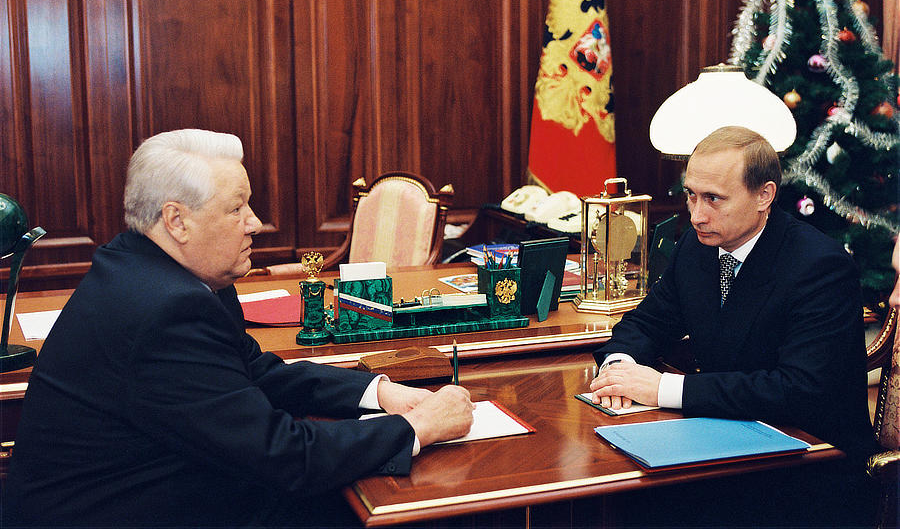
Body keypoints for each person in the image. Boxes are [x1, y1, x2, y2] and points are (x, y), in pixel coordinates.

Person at [3, 129, 474, 527]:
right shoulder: (165, 310)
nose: (256, 223)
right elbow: (285, 456)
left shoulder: (156, 269)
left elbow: (254, 370)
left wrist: (378, 393)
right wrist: (416, 427)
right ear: (177, 220)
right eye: (236, 209)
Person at [589, 126, 878, 526]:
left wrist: (661, 388)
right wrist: (619, 370)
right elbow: (646, 322)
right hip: (721, 446)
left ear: (764, 196)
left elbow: (798, 390)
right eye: (691, 195)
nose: (696, 215)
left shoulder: (819, 266)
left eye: (713, 199)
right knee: (614, 499)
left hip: (808, 469)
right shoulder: (697, 247)